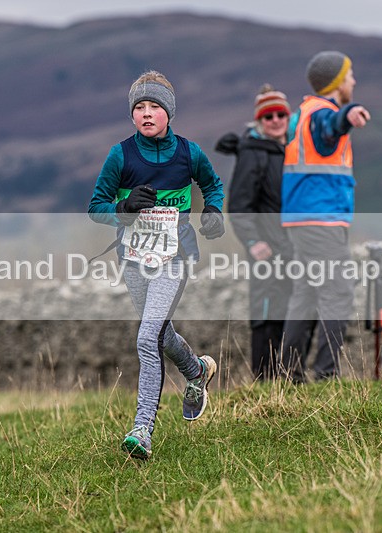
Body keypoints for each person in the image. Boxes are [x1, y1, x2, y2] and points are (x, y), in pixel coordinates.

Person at [87, 70, 225, 460]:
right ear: (132, 115)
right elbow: (96, 208)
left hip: (175, 256)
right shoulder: (121, 155)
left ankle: (142, 430)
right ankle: (196, 371)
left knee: (146, 339)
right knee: (161, 335)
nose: (146, 113)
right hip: (133, 259)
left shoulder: (189, 153)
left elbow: (212, 185)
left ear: (169, 112)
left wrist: (213, 211)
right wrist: (123, 210)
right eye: (139, 107)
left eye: (155, 106)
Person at [280, 51, 371, 382]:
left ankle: (290, 375)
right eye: (349, 76)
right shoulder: (322, 114)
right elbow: (331, 127)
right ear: (336, 82)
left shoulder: (300, 113)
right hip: (320, 219)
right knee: (338, 291)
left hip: (302, 218)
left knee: (305, 293)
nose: (353, 81)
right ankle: (325, 374)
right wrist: (348, 116)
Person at [215, 84, 294, 381]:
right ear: (259, 121)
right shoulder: (252, 153)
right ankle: (265, 380)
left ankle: (290, 376)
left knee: (293, 309)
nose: (275, 120)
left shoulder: (292, 148)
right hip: (266, 248)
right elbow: (238, 205)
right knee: (266, 311)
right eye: (268, 116)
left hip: (293, 245)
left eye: (280, 114)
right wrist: (253, 241)